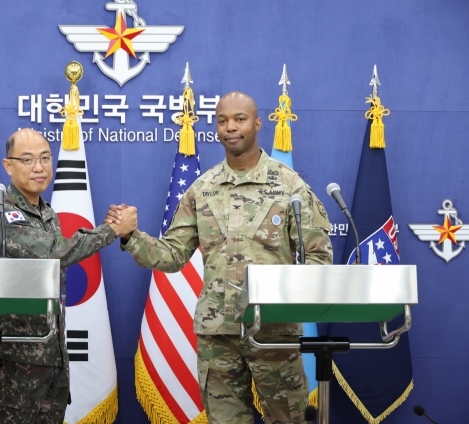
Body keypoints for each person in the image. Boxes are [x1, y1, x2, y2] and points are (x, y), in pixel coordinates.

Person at [107, 92, 333, 424]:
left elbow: (317, 259)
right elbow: (172, 255)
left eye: (240, 119)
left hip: (273, 333)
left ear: (257, 124)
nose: (230, 127)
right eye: (222, 120)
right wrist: (130, 236)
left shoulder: (290, 187)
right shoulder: (202, 189)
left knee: (289, 420)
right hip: (219, 335)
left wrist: (284, 300)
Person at [0, 128, 136, 424]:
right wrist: (112, 230)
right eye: (27, 159)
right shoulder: (0, 214)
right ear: (8, 166)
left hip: (51, 358)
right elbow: (55, 253)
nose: (39, 167)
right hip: (16, 362)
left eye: (45, 158)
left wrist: (106, 227)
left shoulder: (47, 213)